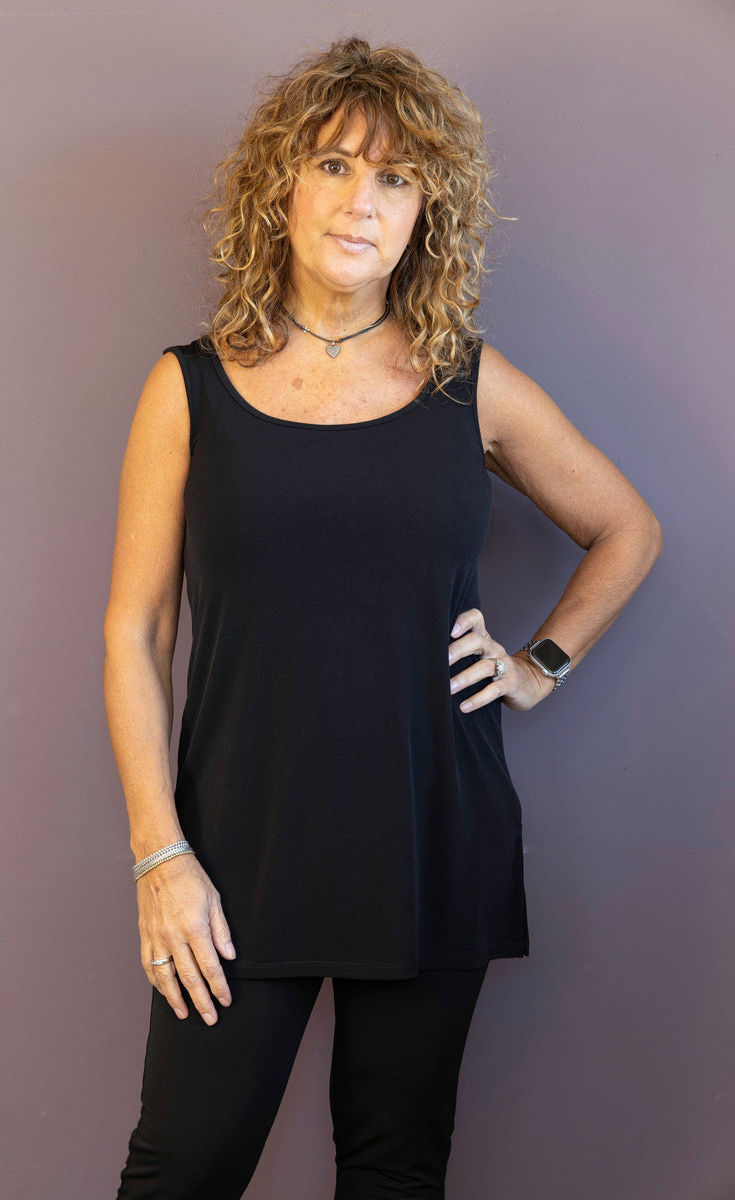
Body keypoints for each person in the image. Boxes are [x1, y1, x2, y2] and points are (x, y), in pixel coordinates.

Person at [103, 36, 662, 1200]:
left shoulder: (469, 385)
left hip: (430, 834)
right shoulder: (187, 387)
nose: (361, 202)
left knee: (394, 1170)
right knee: (180, 1171)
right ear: (281, 186)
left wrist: (537, 663)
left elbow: (626, 528)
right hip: (236, 852)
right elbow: (133, 632)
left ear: (424, 216)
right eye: (335, 165)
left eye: (395, 178)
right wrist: (160, 854)